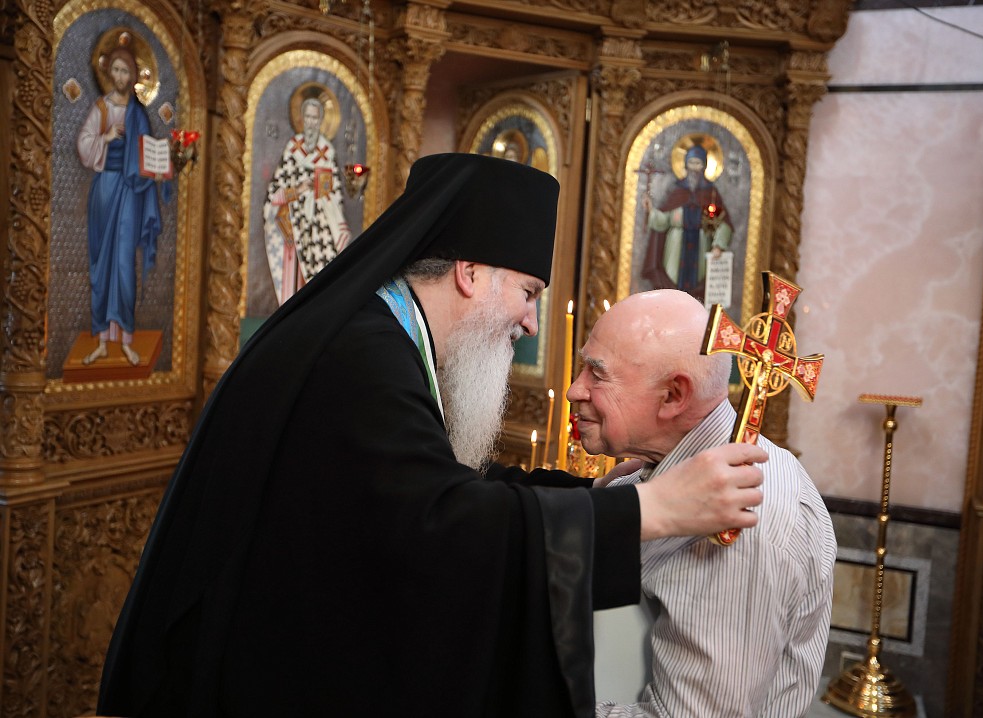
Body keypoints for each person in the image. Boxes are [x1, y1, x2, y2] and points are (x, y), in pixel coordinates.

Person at [97, 153, 766, 718]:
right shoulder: (361, 358)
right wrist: (652, 510)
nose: (530, 323)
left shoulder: (377, 337)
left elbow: (425, 483)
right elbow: (438, 523)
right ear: (470, 274)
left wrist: (590, 496)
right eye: (528, 292)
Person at [567, 289, 836, 718]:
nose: (573, 390)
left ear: (674, 395)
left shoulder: (739, 523)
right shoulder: (664, 468)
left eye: (597, 374)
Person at [76, 46, 162, 366]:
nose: (120, 77)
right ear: (109, 73)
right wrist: (107, 136)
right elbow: (84, 144)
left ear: (134, 76)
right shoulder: (102, 107)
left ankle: (125, 339)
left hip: (130, 192)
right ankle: (102, 341)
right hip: (105, 188)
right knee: (101, 265)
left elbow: (147, 153)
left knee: (124, 264)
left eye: (126, 71)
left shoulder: (138, 113)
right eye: (116, 70)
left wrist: (158, 167)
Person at [263, 96, 352, 305]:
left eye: (315, 118)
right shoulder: (293, 148)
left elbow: (336, 195)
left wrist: (322, 193)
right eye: (308, 117)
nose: (311, 123)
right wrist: (300, 189)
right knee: (294, 283)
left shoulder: (327, 151)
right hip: (293, 226)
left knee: (320, 282)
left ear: (321, 120)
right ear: (302, 119)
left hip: (320, 229)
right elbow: (275, 193)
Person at [641, 144, 733, 303]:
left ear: (704, 165)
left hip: (701, 243)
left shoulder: (710, 193)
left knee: (698, 285)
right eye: (691, 163)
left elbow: (723, 222)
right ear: (685, 164)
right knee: (673, 283)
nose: (694, 168)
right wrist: (651, 211)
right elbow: (663, 221)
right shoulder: (677, 190)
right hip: (676, 243)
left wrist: (718, 245)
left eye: (698, 163)